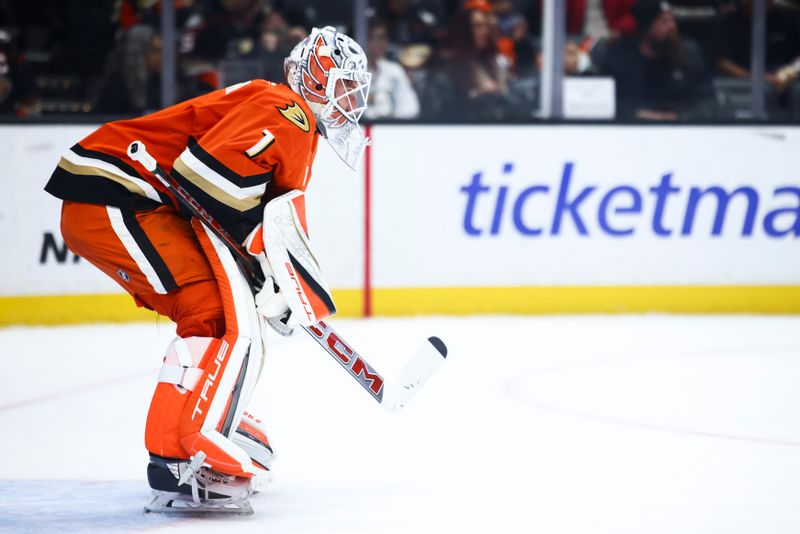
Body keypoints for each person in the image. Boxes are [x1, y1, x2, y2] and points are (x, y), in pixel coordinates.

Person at [44, 26, 371, 514]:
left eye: (354, 88)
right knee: (217, 315)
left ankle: (203, 422)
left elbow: (235, 206)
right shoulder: (288, 113)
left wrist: (275, 277)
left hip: (132, 202)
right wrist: (270, 270)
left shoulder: (291, 119)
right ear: (315, 80)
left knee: (216, 312)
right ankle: (180, 454)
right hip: (116, 195)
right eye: (343, 84)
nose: (350, 98)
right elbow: (207, 181)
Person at [597, 0, 715, 120]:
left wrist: (680, 115)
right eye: (664, 21)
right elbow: (606, 101)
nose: (672, 26)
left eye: (672, 20)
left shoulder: (687, 55)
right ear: (647, 27)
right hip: (631, 130)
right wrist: (635, 114)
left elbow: (706, 99)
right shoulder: (621, 58)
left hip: (681, 129)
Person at [365, 20, 421, 119]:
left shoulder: (394, 71)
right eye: (377, 38)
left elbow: (410, 108)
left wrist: (392, 121)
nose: (383, 44)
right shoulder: (348, 72)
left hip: (388, 128)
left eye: (384, 38)